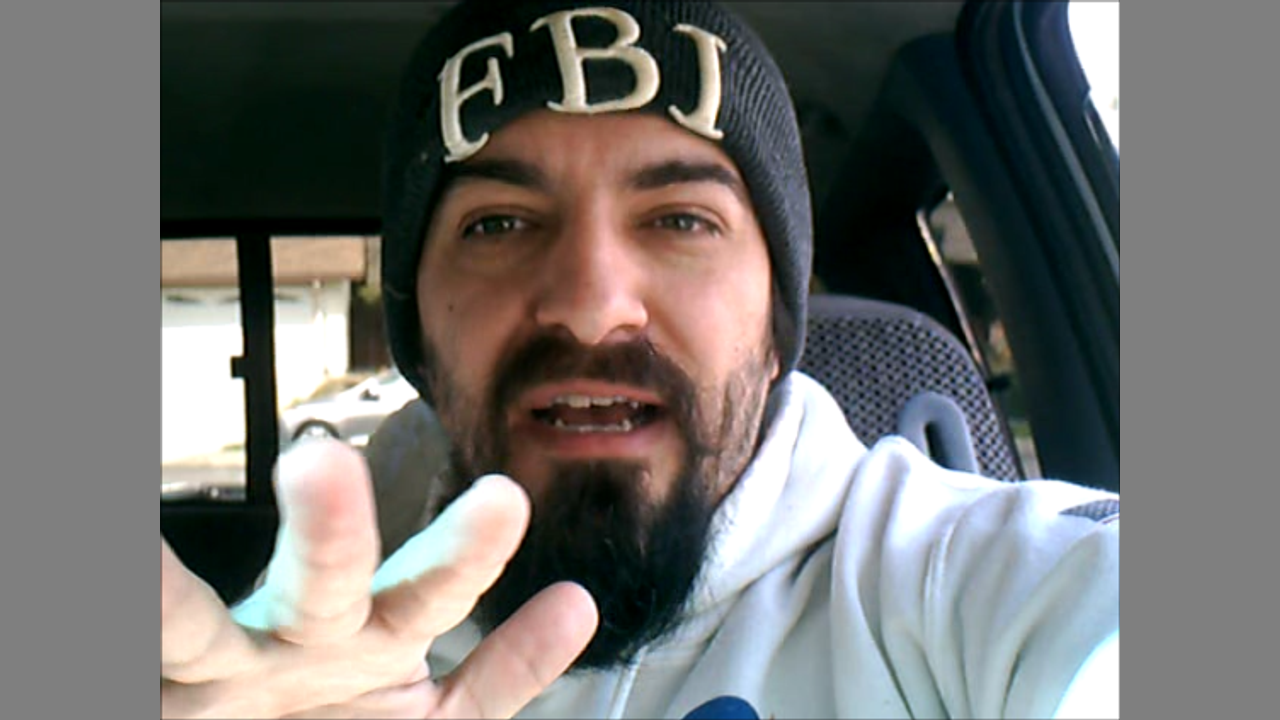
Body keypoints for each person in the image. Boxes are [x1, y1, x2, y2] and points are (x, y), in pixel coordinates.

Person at [159, 0, 1119, 717]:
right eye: (498, 223)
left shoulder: (958, 581)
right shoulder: (295, 667)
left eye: (681, 219)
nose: (590, 306)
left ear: (775, 323)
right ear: (422, 341)